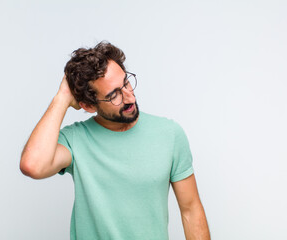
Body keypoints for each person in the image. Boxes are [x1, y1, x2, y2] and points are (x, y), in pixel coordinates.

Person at [20, 41, 211, 240]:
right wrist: (61, 98)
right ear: (88, 105)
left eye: (126, 83)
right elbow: (33, 165)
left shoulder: (169, 134)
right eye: (114, 95)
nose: (129, 97)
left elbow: (191, 210)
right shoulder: (76, 139)